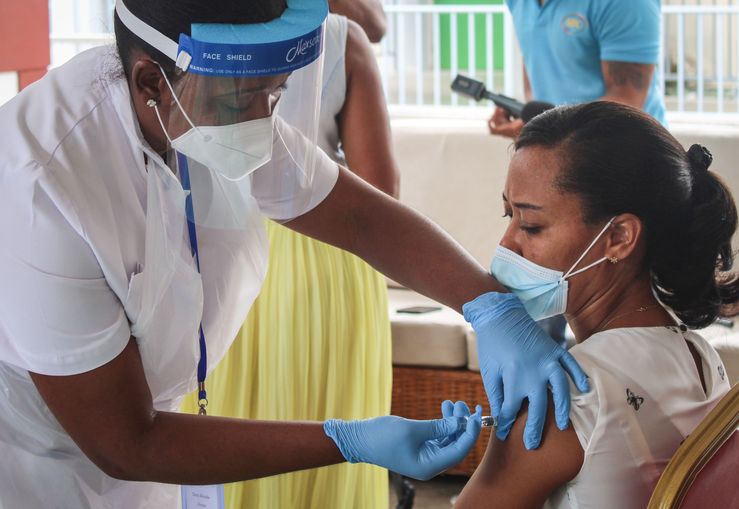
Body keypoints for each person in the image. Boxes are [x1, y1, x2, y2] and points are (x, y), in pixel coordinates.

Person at [0, 1, 589, 507]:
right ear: (150, 81)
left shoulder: (211, 104)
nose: (262, 121)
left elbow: (360, 215)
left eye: (276, 95)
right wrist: (348, 440)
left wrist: (489, 306)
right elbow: (128, 444)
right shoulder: (41, 187)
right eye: (243, 102)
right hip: (39, 463)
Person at [456, 101, 739, 509]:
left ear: (619, 238)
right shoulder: (699, 355)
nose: (507, 243)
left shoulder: (562, 395)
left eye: (532, 225)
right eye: (508, 214)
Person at [179, 12, 399, 509]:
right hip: (328, 261)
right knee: (331, 429)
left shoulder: (187, 26)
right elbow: (381, 191)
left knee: (224, 432)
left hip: (221, 248)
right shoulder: (343, 39)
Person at [489, 0, 666, 139]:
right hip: (558, 150)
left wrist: (545, 131)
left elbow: (627, 101)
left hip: (629, 152)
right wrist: (531, 122)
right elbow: (534, 57)